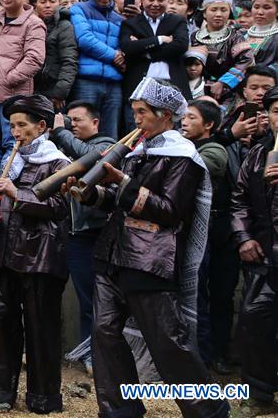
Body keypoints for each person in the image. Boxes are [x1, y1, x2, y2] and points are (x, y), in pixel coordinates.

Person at [69, 77, 229, 418]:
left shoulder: (183, 156)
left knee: (168, 341)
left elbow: (170, 211)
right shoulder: (138, 151)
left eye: (142, 112)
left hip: (151, 260)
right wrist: (91, 194)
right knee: (104, 332)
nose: (136, 119)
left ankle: (209, 410)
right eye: (134, 112)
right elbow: (117, 202)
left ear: (166, 115)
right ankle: (119, 411)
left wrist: (123, 183)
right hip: (112, 254)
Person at [0, 94, 70, 413]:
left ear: (42, 126)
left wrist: (17, 193)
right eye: (11, 125)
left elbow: (58, 208)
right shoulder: (11, 161)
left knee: (40, 327)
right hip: (7, 252)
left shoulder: (58, 162)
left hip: (40, 256)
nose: (15, 132)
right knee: (1, 323)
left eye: (22, 125)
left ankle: (43, 398)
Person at [50, 101, 116, 375]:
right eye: (69, 120)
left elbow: (92, 159)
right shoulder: (64, 148)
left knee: (101, 299)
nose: (72, 125)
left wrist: (60, 132)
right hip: (74, 234)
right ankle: (88, 353)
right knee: (85, 297)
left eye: (77, 120)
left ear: (96, 122)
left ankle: (102, 356)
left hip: (98, 233)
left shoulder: (109, 143)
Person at [231, 86, 278, 416]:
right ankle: (260, 393)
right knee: (254, 318)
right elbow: (239, 200)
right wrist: (244, 238)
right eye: (276, 111)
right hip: (266, 255)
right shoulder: (259, 154)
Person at [180, 99, 230, 369]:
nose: (184, 122)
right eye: (182, 117)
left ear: (209, 124)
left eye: (191, 117)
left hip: (204, 235)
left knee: (197, 296)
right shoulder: (182, 146)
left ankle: (204, 359)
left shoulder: (215, 150)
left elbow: (193, 172)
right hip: (181, 232)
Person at [0, 0, 46, 179]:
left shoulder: (33, 24)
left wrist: (9, 79)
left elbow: (35, 59)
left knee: (12, 145)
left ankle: (6, 186)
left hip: (14, 98)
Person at [119, 0, 191, 129]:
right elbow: (128, 48)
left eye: (161, 0)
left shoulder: (177, 21)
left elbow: (180, 46)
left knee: (173, 130)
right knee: (135, 133)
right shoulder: (130, 23)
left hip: (172, 85)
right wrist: (160, 40)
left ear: (168, 0)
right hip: (139, 85)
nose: (155, 4)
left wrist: (145, 50)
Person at [69, 0, 124, 139]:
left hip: (113, 83)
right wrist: (114, 56)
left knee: (110, 133)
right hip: (87, 80)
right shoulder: (79, 9)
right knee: (83, 131)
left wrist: (124, 55)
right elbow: (85, 40)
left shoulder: (120, 18)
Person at [32, 0, 77, 110]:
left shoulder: (64, 26)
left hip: (53, 90)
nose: (47, 5)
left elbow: (69, 61)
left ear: (58, 3)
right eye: (43, 2)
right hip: (32, 89)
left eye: (52, 1)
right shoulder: (30, 24)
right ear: (35, 5)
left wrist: (59, 93)